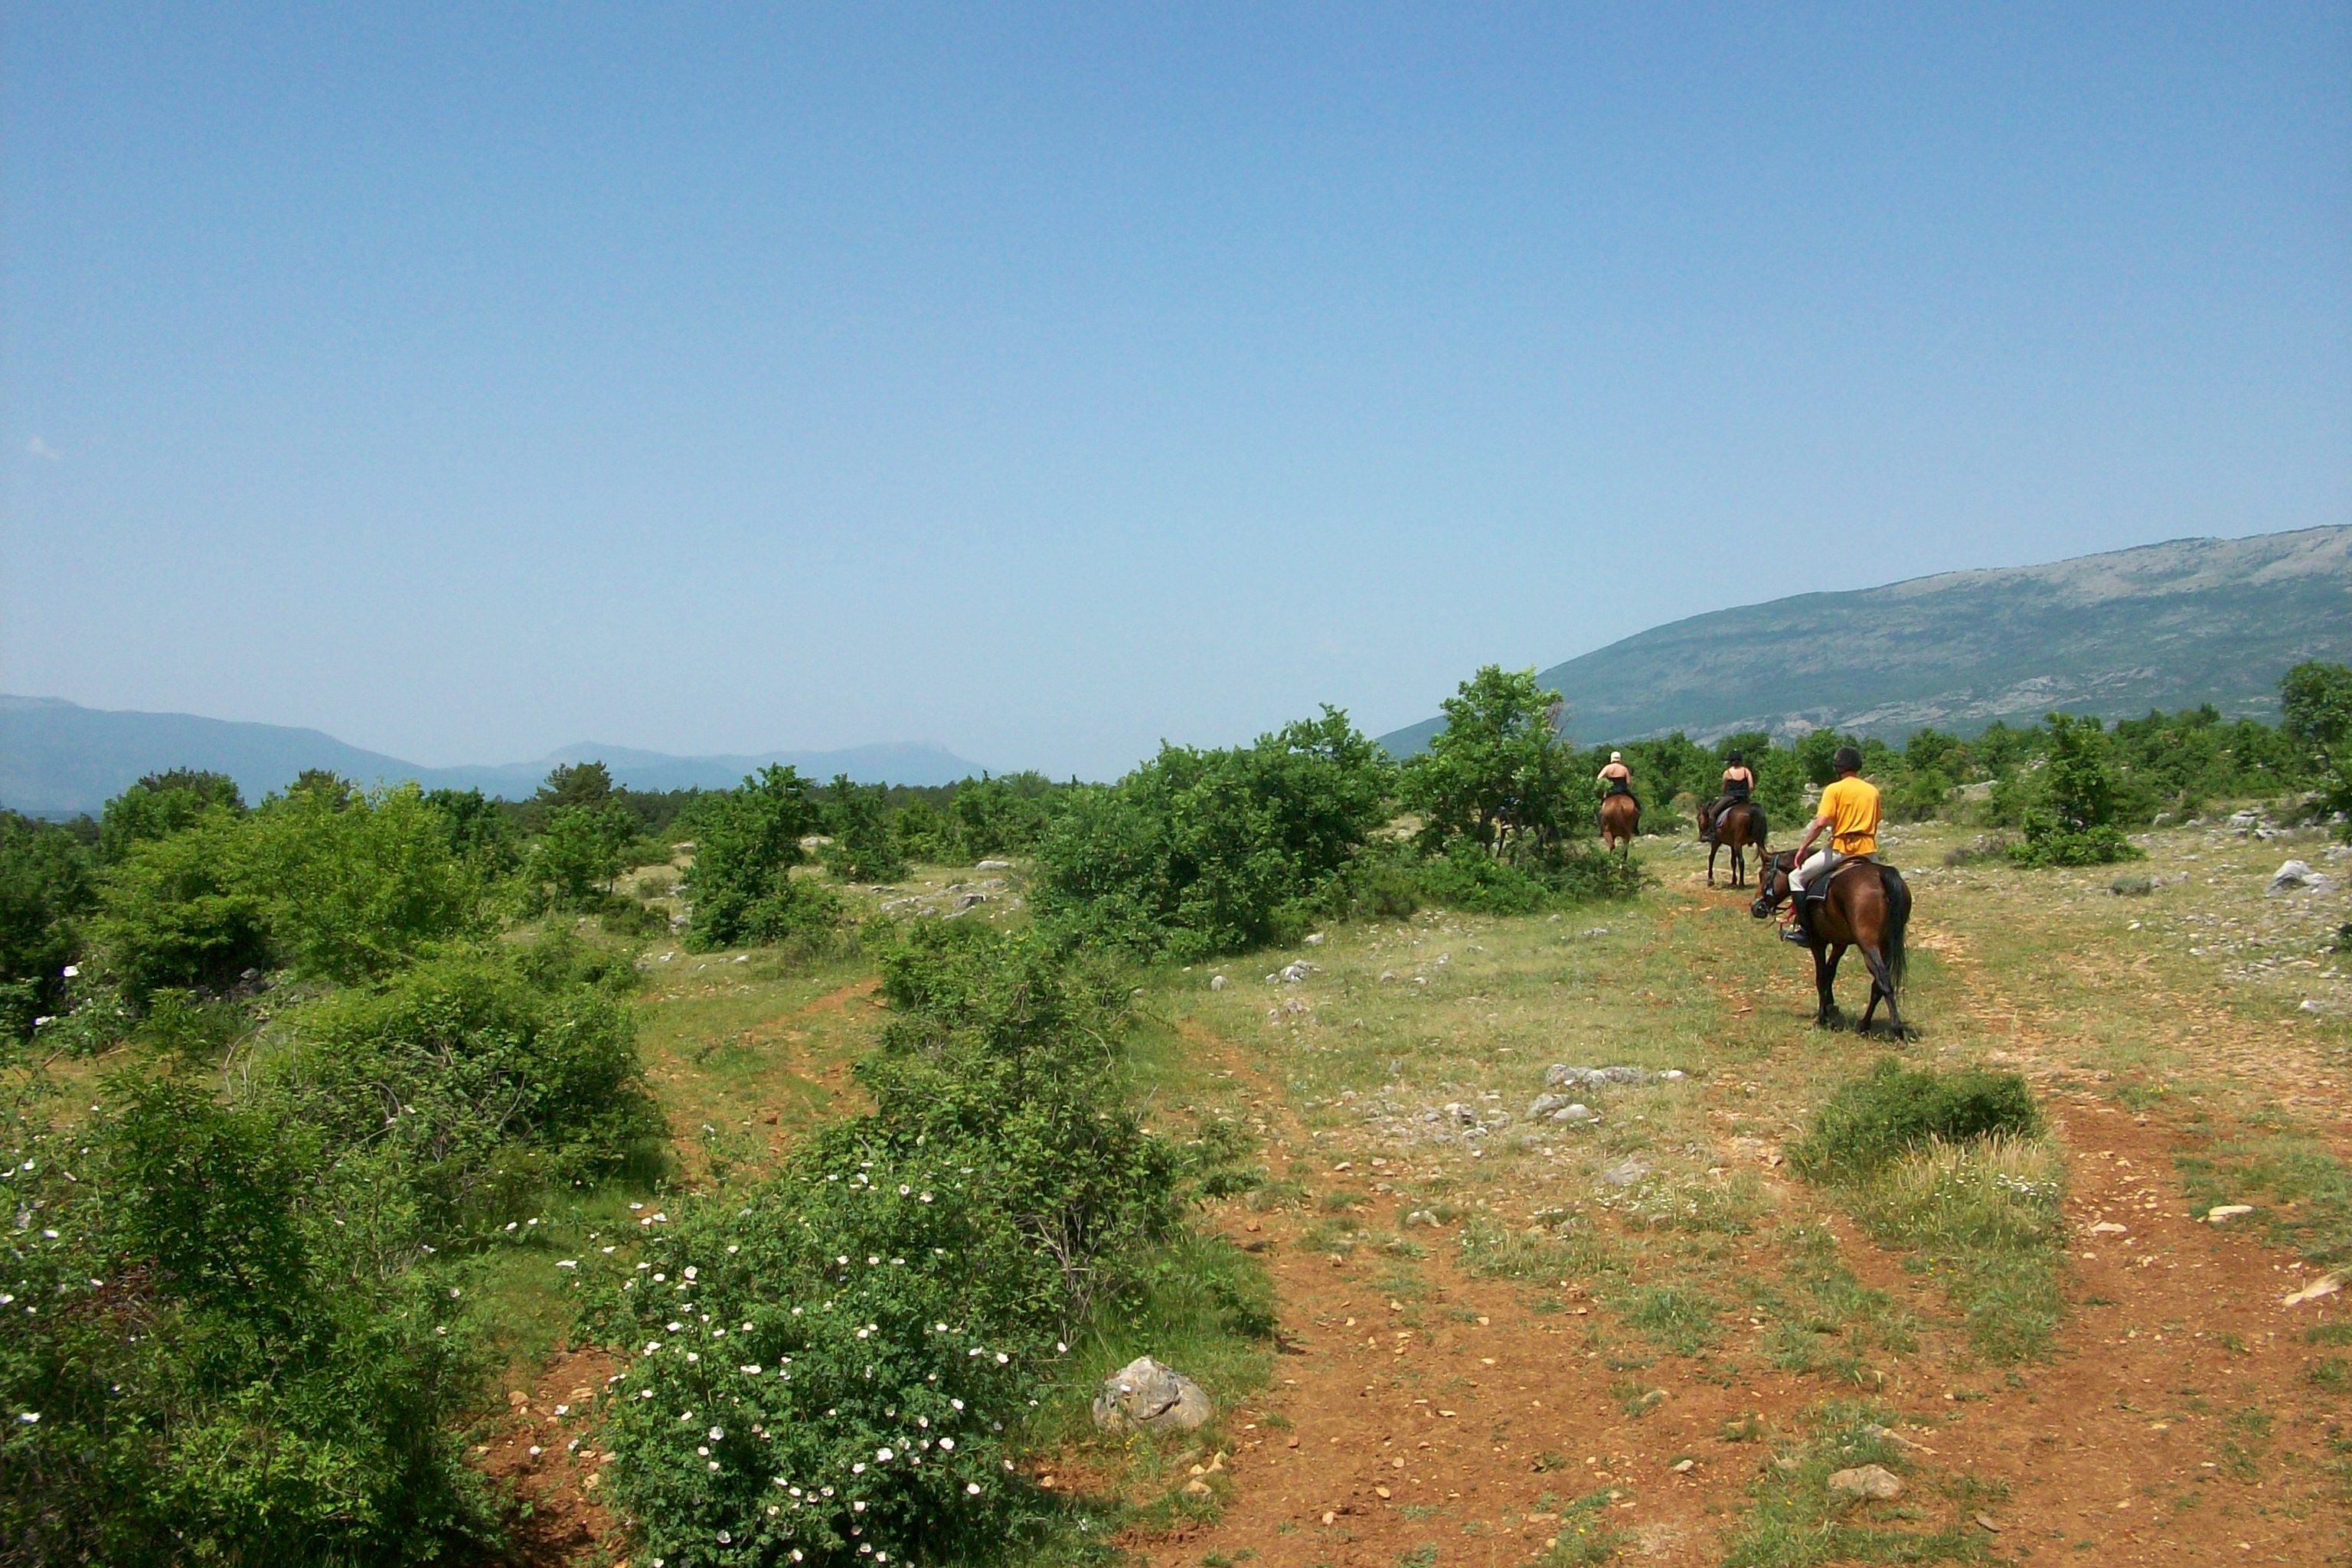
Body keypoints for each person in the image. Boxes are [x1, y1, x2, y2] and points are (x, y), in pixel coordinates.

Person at [1782, 745, 1880, 942]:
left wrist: (1803, 847)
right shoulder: (1872, 791)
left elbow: (1820, 822)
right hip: (1868, 850)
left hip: (1841, 849)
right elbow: (1876, 820)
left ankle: (1806, 931)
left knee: (1796, 878)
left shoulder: (1834, 789)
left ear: (1838, 767)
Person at [1704, 751, 1755, 840]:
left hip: (1730, 797)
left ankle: (1713, 834)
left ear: (1730, 761)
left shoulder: (1727, 772)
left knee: (1712, 814)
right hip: (1744, 798)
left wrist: (1723, 795)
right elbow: (1751, 786)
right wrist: (1748, 794)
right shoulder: (1746, 771)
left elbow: (1724, 788)